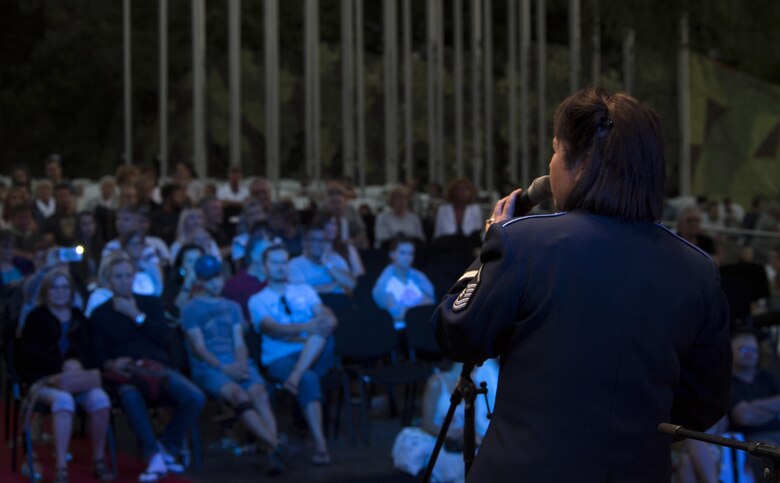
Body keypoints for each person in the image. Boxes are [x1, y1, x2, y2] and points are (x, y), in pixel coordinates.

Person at [432, 88, 731, 482]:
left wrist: (490, 242)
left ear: (580, 162)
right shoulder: (697, 268)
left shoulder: (524, 242)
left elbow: (456, 332)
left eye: (556, 151)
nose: (551, 166)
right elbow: (704, 401)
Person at [90, 253, 205, 482]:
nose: (124, 281)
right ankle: (152, 456)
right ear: (109, 281)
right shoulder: (100, 314)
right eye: (118, 277)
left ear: (134, 277)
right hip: (125, 374)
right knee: (130, 396)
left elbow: (164, 339)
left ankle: (168, 447)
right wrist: (112, 363)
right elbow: (98, 355)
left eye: (128, 276)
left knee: (195, 397)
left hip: (157, 369)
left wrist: (136, 316)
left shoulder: (150, 304)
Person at [182, 255, 287, 475]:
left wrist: (239, 363)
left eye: (218, 277)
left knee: (259, 392)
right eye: (210, 278)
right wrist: (223, 368)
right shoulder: (191, 309)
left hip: (235, 361)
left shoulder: (232, 307)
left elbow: (239, 341)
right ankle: (276, 445)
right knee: (238, 394)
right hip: (208, 367)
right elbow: (200, 348)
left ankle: (272, 451)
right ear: (200, 280)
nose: (216, 282)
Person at [18, 269, 114, 483]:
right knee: (64, 400)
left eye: (64, 287)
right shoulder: (36, 318)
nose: (60, 292)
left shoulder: (80, 318)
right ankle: (61, 465)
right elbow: (29, 355)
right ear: (46, 291)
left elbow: (94, 352)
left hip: (77, 379)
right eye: (54, 287)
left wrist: (78, 363)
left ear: (71, 292)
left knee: (101, 400)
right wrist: (62, 365)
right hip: (44, 379)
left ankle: (98, 459)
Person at [248, 244, 337, 465]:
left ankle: (294, 378)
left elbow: (327, 318)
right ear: (265, 266)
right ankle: (320, 444)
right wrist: (309, 326)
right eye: (275, 262)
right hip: (280, 359)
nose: (280, 267)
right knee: (309, 377)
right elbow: (272, 328)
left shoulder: (304, 290)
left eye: (284, 262)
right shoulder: (257, 299)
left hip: (314, 353)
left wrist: (323, 319)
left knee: (324, 335)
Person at [392, 360, 499, 483]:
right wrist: (448, 434)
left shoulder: (471, 386)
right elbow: (427, 423)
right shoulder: (436, 382)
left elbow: (471, 419)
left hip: (457, 442)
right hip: (437, 437)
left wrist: (464, 433)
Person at [729, 330, 780, 477]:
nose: (750, 353)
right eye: (744, 349)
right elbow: (743, 417)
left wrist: (752, 407)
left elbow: (748, 413)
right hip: (752, 439)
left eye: (754, 350)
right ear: (731, 352)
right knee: (770, 455)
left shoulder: (766, 377)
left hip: (777, 433)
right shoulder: (729, 382)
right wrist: (773, 409)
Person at [372, 237, 435, 330]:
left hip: (425, 327)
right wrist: (418, 305)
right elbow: (397, 314)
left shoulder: (419, 278)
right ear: (392, 254)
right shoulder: (386, 283)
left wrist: (407, 309)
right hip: (401, 332)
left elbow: (430, 303)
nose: (407, 257)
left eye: (411, 253)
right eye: (402, 253)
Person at [288, 224, 356, 295]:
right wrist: (333, 286)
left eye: (323, 240)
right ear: (304, 243)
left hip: (342, 303)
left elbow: (352, 284)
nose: (319, 244)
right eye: (315, 240)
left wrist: (327, 263)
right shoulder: (295, 264)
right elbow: (300, 292)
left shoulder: (335, 258)